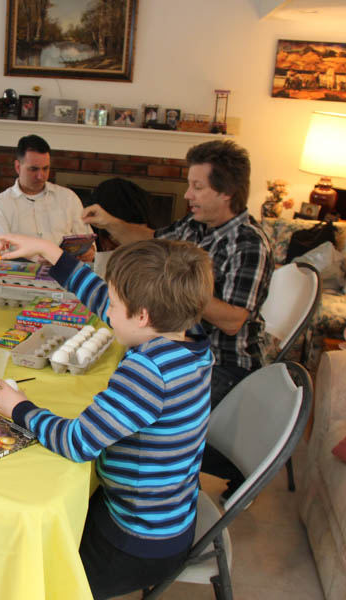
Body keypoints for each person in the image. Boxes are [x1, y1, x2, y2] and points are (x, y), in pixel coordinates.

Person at [0, 233, 214, 598]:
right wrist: (51, 253)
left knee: (38, 579)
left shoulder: (148, 371)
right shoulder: (188, 339)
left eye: (112, 304)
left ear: (142, 317)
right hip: (168, 518)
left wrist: (20, 409)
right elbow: (105, 299)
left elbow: (77, 443)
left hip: (135, 541)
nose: (105, 311)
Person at [82, 139, 274, 499]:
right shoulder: (196, 225)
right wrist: (110, 224)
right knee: (113, 388)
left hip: (226, 364)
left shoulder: (249, 244)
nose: (188, 194)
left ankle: (141, 497)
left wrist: (176, 287)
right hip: (176, 346)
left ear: (227, 192)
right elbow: (151, 240)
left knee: (124, 426)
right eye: (188, 185)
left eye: (198, 187)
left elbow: (233, 320)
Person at [0, 134, 95, 262]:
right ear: (18, 167)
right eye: (33, 169)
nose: (41, 176)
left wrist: (89, 252)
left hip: (65, 273)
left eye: (45, 168)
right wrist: (33, 260)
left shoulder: (68, 198)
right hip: (19, 277)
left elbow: (87, 240)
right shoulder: (0, 204)